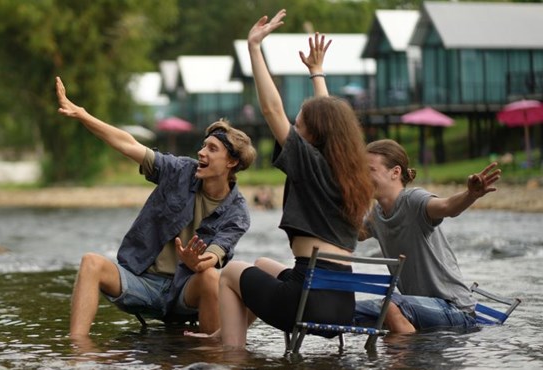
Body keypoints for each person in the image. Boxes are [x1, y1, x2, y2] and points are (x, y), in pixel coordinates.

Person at [187, 10, 374, 348]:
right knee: (260, 264)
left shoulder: (310, 164)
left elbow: (272, 110)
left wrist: (254, 48)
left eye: (298, 126)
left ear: (312, 138)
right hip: (340, 308)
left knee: (230, 272)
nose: (293, 131)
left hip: (306, 302)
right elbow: (330, 120)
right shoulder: (349, 176)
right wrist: (317, 73)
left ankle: (231, 353)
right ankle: (228, 330)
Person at [55, 76, 257, 339]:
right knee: (91, 263)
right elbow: (129, 144)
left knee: (210, 277)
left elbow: (214, 256)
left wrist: (196, 262)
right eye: (203, 145)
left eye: (212, 148)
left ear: (231, 162)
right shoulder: (180, 170)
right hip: (142, 282)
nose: (201, 152)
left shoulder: (238, 212)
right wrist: (83, 115)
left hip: (185, 290)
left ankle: (209, 358)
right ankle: (78, 351)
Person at [355, 139, 501, 333]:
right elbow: (354, 233)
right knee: (345, 310)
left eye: (370, 170)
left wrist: (470, 194)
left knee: (389, 306)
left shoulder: (413, 200)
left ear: (395, 172)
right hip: (414, 306)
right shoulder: (377, 215)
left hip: (454, 308)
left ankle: (409, 360)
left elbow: (448, 206)